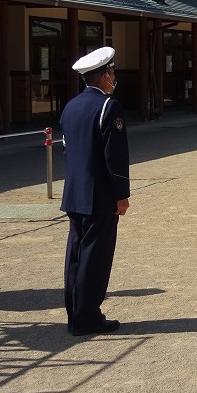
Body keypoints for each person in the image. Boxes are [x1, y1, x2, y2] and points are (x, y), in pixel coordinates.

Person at [60, 46, 130, 336]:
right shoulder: (108, 106)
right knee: (95, 257)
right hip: (100, 194)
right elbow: (115, 156)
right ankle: (88, 317)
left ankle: (75, 313)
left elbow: (68, 151)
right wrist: (121, 194)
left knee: (76, 255)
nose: (113, 77)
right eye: (112, 72)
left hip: (75, 192)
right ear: (105, 75)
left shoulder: (71, 106)